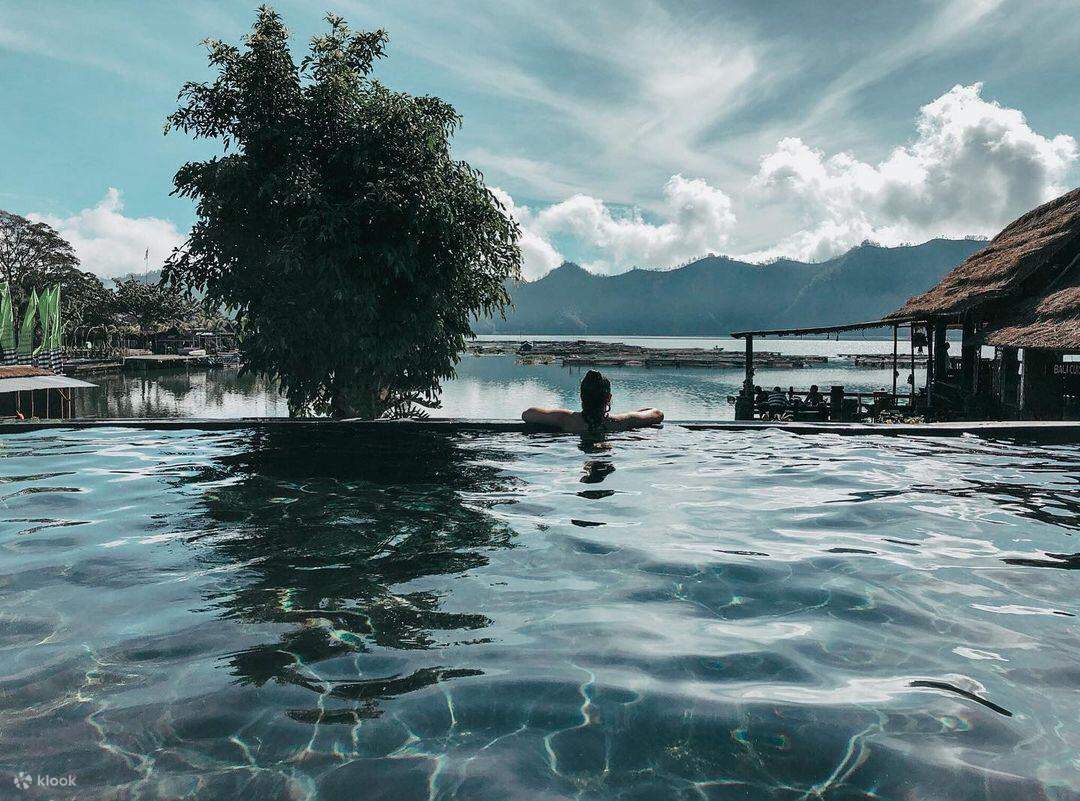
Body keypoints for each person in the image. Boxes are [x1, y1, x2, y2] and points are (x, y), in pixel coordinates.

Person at [521, 370, 664, 434]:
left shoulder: (566, 419)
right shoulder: (621, 421)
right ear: (608, 398)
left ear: (581, 396)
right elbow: (657, 413)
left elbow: (527, 414)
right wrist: (634, 414)